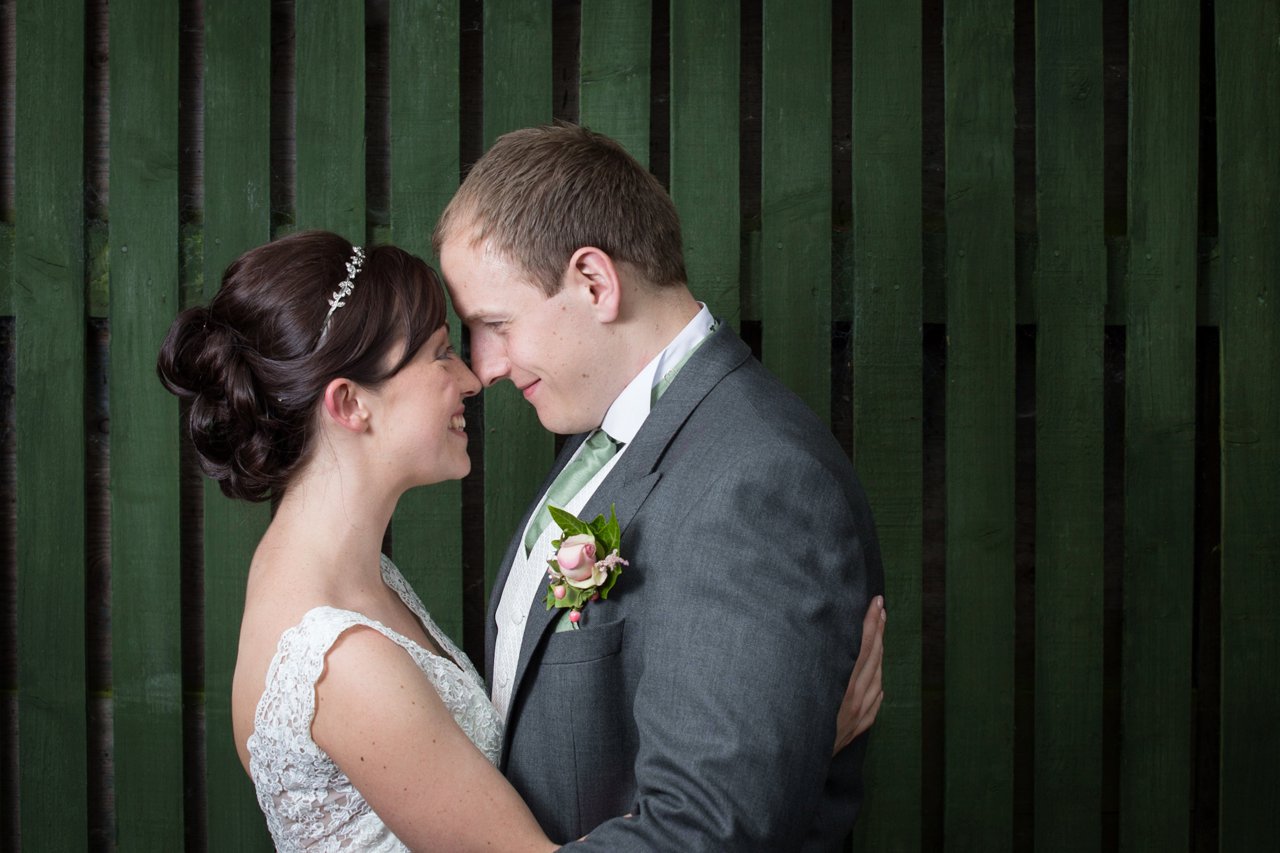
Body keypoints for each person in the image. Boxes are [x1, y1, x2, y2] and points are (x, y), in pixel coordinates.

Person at [156, 230, 883, 850]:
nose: (472, 377)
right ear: (349, 404)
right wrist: (795, 749)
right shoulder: (340, 661)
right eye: (439, 353)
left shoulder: (331, 570)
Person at [433, 123, 886, 850]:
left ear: (594, 282)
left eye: (495, 324)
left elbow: (704, 834)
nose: (482, 366)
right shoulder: (607, 433)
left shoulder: (757, 483)